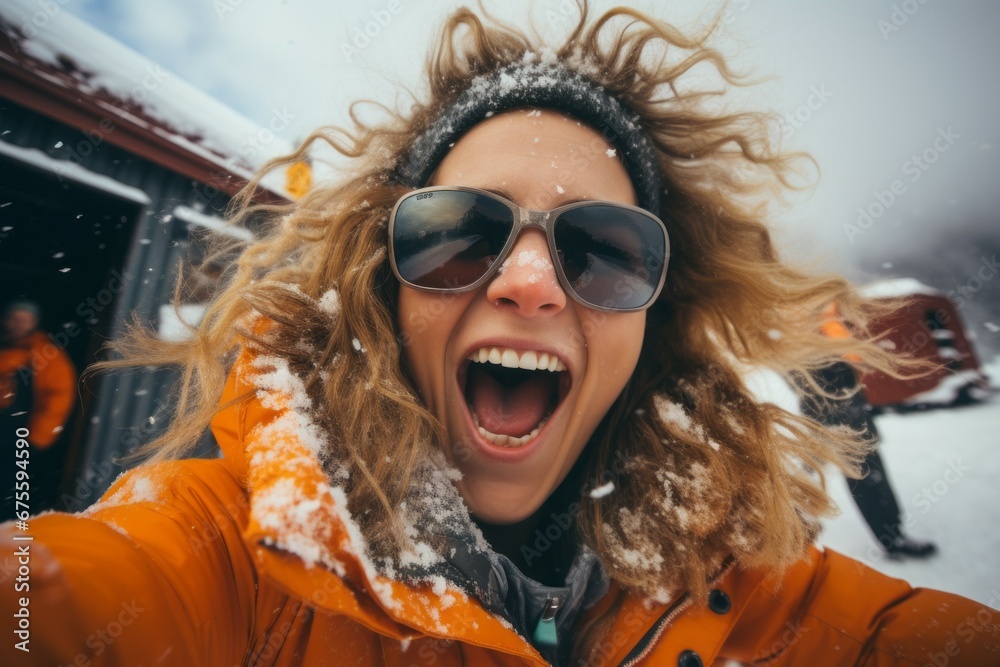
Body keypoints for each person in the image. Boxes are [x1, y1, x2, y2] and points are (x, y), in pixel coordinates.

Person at [2, 5, 997, 666]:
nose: (526, 281)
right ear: (381, 285)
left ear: (653, 326)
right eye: (456, 234)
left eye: (601, 249)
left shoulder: (756, 601)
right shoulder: (228, 561)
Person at [797, 306, 938, 560]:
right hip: (834, 402)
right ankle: (891, 538)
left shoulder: (805, 309)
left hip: (838, 398)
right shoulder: (791, 315)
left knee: (823, 466)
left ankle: (792, 524)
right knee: (862, 467)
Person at [1, 300, 76, 520]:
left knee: (9, 491)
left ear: (34, 323)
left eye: (24, 319)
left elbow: (60, 397)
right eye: (15, 318)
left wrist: (38, 437)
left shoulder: (47, 354)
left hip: (19, 436)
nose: (18, 324)